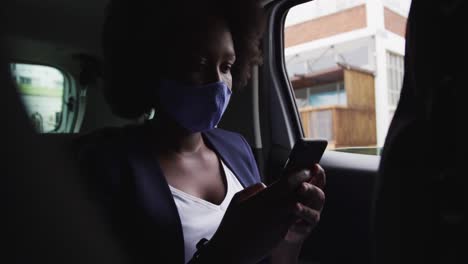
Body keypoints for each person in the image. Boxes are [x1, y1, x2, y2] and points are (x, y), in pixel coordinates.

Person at [78, 0, 326, 263]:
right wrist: (225, 251)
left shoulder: (237, 147)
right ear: (151, 68)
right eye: (197, 64)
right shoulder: (105, 163)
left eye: (227, 67)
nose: (218, 83)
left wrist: (289, 236)